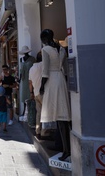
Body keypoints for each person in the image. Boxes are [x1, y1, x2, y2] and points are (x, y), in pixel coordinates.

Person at [39, 29, 71, 161]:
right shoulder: (62, 49)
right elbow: (65, 68)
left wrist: (42, 85)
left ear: (45, 38)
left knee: (58, 115)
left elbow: (45, 70)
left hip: (52, 80)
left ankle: (66, 150)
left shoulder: (45, 50)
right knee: (62, 115)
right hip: (61, 80)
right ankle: (66, 148)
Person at [29, 51, 47, 139]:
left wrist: (31, 93)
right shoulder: (44, 65)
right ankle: (44, 132)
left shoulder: (31, 68)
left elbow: (30, 83)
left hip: (36, 92)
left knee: (38, 113)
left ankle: (37, 131)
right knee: (46, 113)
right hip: (44, 92)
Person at [18, 46, 36, 116]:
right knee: (24, 96)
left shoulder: (32, 59)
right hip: (24, 79)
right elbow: (21, 71)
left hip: (31, 78)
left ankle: (31, 112)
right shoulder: (21, 59)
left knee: (30, 95)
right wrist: (19, 79)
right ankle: (25, 111)